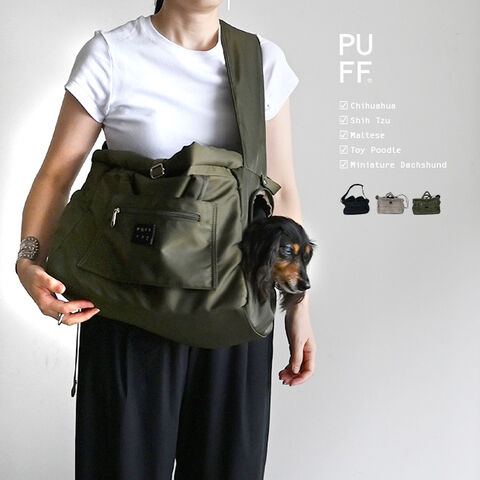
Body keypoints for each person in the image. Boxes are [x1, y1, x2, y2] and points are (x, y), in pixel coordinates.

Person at [15, 1, 316, 478]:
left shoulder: (260, 61)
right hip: (127, 310)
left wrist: (297, 304)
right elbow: (56, 174)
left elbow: (281, 191)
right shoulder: (112, 53)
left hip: (236, 313)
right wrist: (28, 260)